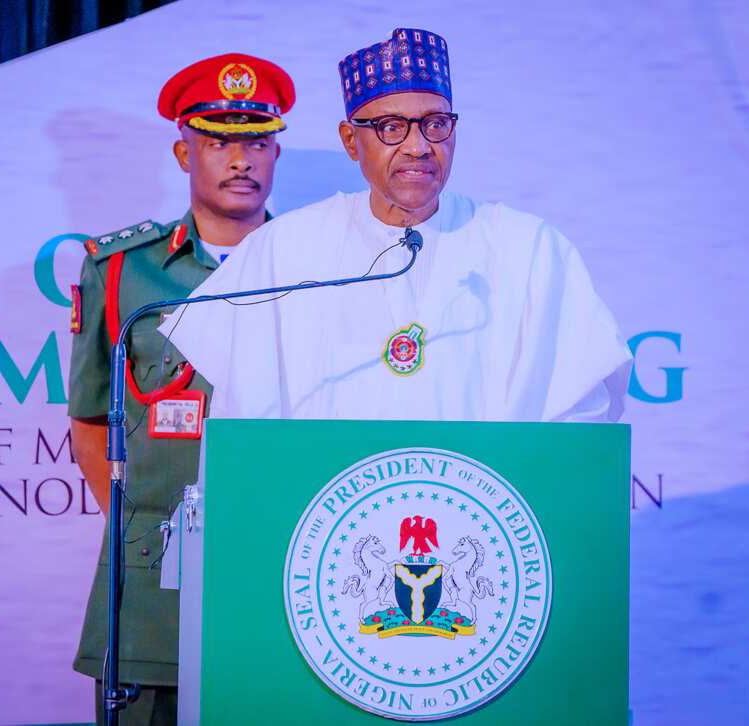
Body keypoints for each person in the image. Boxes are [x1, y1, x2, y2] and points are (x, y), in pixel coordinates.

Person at [160, 28, 631, 422]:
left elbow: (581, 419)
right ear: (350, 140)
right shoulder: (284, 250)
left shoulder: (528, 249)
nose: (418, 147)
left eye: (436, 124)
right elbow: (246, 425)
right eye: (390, 127)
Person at [67, 53, 295, 725]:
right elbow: (88, 420)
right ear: (182, 151)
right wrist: (149, 537)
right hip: (151, 578)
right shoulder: (121, 271)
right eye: (219, 140)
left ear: (276, 151)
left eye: (256, 140)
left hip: (285, 561)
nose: (240, 159)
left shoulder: (323, 266)